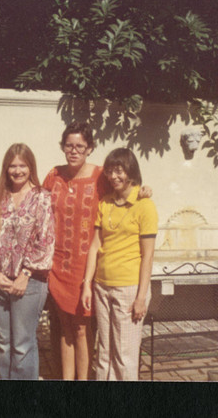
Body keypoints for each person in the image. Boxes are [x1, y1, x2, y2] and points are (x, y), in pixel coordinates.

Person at [43, 122, 152, 380]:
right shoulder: (53, 176)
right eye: (69, 145)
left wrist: (144, 191)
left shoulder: (101, 176)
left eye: (80, 146)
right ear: (62, 146)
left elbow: (126, 187)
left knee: (82, 328)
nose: (74, 150)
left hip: (87, 266)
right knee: (65, 328)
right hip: (59, 265)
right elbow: (38, 204)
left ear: (89, 148)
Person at [81, 148, 158, 381]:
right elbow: (95, 246)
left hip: (128, 289)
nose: (114, 176)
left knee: (125, 355)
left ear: (131, 172)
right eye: (110, 172)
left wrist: (141, 297)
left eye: (119, 171)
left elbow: (148, 255)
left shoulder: (145, 206)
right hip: (102, 286)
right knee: (104, 351)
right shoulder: (105, 204)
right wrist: (87, 284)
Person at [0, 143, 55, 380]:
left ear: (30, 167)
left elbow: (45, 239)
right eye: (12, 166)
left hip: (30, 283)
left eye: (22, 165)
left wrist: (25, 276)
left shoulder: (42, 198)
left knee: (22, 344)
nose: (17, 171)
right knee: (4, 342)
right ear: (6, 168)